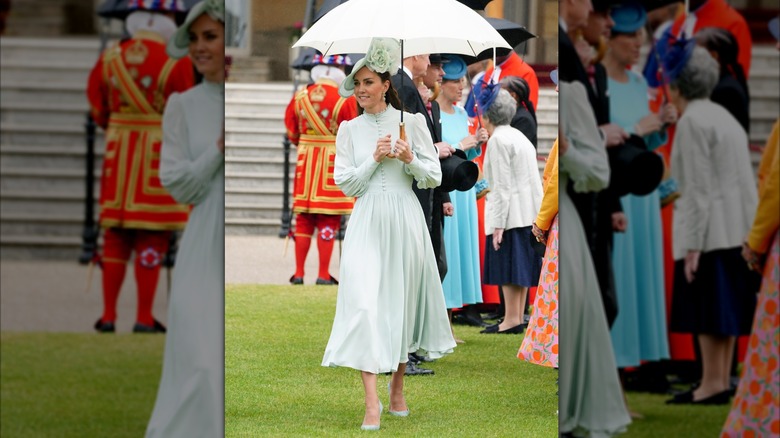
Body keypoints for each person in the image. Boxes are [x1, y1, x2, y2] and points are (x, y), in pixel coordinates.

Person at [321, 37, 456, 431]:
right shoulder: (348, 129)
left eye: (368, 83)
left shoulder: (411, 122)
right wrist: (373, 159)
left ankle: (397, 390)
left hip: (405, 219)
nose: (361, 90)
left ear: (385, 84)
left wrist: (408, 156)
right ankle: (371, 403)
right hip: (367, 222)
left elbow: (433, 175)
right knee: (364, 304)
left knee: (400, 306)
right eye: (357, 83)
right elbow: (346, 183)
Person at [86, 2, 195, 334]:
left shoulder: (108, 60)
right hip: (157, 152)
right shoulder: (175, 62)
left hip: (118, 156)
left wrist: (119, 125)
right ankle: (144, 317)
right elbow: (186, 109)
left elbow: (97, 109)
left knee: (116, 235)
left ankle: (108, 316)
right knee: (152, 235)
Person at [145, 1, 224, 435]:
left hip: (226, 241)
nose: (199, 47)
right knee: (200, 359)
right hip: (201, 242)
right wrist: (216, 150)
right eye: (194, 38)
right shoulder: (182, 104)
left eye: (210, 36)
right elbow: (177, 184)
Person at [665, 42, 759, 405]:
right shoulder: (724, 116)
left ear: (676, 86)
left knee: (708, 312)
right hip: (736, 228)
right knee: (725, 312)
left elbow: (696, 188)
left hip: (708, 231)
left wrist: (691, 245)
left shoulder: (692, 122)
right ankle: (720, 380)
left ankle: (710, 382)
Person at [601, 0, 675, 380]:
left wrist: (661, 125)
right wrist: (642, 128)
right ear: (611, 37)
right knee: (618, 276)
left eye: (640, 35)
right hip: (616, 194)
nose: (638, 43)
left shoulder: (641, 83)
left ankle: (636, 365)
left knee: (640, 273)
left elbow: (644, 142)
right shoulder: (598, 82)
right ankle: (614, 363)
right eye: (630, 35)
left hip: (643, 195)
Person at [558, 78, 631, 437]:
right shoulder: (571, 94)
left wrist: (569, 151)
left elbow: (598, 172)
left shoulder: (573, 95)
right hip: (563, 221)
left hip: (569, 221)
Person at [560, 0, 625, 329]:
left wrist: (613, 203)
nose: (608, 22)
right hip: (578, 193)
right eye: (602, 10)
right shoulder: (568, 59)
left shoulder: (596, 72)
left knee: (603, 299)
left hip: (594, 192)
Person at [391, 51, 452, 375]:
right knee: (413, 273)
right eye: (427, 58)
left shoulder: (411, 87)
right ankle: (405, 350)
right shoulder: (403, 87)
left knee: (426, 269)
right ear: (413, 56)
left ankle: (410, 346)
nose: (430, 66)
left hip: (424, 187)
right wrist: (431, 152)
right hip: (412, 191)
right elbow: (410, 141)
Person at [284, 54, 358, 285]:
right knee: (328, 219)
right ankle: (323, 274)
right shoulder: (344, 99)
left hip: (305, 164)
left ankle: (298, 273)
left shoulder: (299, 97)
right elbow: (352, 131)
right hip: (331, 162)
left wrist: (306, 143)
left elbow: (291, 131)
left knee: (304, 219)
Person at [477, 86, 543, 335]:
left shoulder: (498, 141)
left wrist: (497, 224)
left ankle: (511, 319)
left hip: (511, 213)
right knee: (520, 267)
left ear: (487, 115)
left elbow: (501, 185)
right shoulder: (517, 135)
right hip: (528, 211)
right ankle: (515, 317)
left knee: (510, 268)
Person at [436, 54, 488, 343]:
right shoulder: (434, 114)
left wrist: (475, 144)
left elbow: (467, 157)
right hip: (447, 192)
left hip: (466, 194)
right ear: (442, 84)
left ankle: (450, 323)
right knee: (447, 254)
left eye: (463, 82)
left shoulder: (462, 116)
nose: (461, 87)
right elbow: (440, 152)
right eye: (456, 82)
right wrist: (460, 144)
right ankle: (442, 326)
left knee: (459, 256)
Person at [693, 27, 750, 133]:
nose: (691, 56)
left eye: (696, 51)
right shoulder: (719, 84)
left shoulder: (726, 91)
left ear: (713, 55)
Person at [499, 75, 537, 148]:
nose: (497, 96)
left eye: (501, 92)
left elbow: (516, 147)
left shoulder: (523, 119)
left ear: (513, 95)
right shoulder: (510, 115)